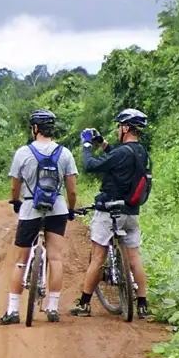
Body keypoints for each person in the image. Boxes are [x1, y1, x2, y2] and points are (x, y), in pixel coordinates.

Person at [69, 108, 151, 319]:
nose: (117, 130)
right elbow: (119, 157)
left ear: (125, 128)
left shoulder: (122, 153)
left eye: (119, 126)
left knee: (97, 257)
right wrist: (103, 144)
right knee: (134, 257)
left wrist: (87, 146)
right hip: (131, 212)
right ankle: (142, 304)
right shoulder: (141, 152)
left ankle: (85, 303)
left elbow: (90, 166)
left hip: (109, 211)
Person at [0, 109, 78, 325]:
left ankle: (13, 310)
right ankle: (52, 307)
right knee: (55, 258)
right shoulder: (65, 153)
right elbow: (71, 190)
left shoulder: (23, 153)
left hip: (30, 209)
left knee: (20, 262)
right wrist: (70, 209)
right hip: (57, 209)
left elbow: (15, 185)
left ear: (35, 128)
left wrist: (16, 202)